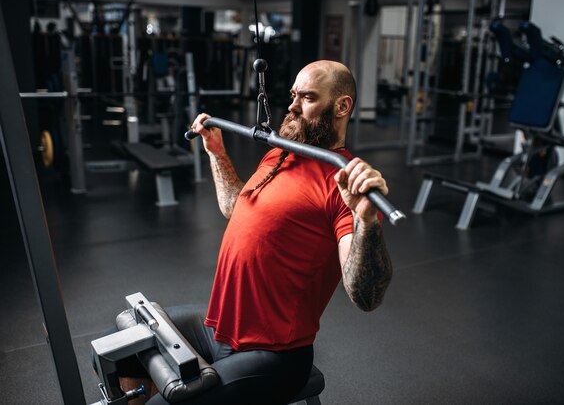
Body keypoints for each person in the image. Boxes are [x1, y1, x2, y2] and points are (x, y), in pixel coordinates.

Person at [122, 60, 393, 405]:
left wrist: (365, 220)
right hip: (222, 328)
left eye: (307, 98)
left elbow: (365, 296)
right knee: (125, 342)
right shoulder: (280, 155)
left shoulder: (341, 185)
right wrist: (218, 153)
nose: (293, 106)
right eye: (293, 95)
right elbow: (236, 207)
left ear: (341, 106)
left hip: (276, 355)